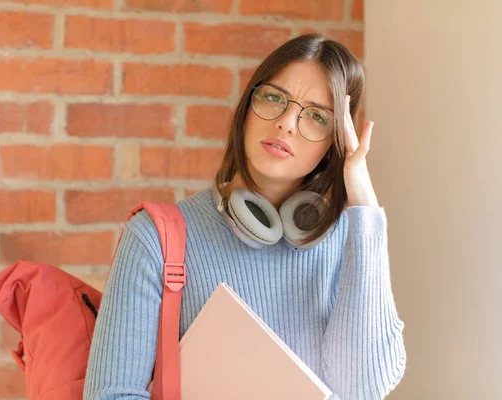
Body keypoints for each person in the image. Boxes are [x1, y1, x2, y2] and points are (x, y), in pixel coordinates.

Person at [84, 33, 406, 400]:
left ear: (333, 146)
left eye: (316, 116)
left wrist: (364, 210)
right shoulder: (154, 239)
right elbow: (111, 394)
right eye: (274, 97)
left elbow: (364, 390)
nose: (286, 122)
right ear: (247, 106)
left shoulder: (348, 244)